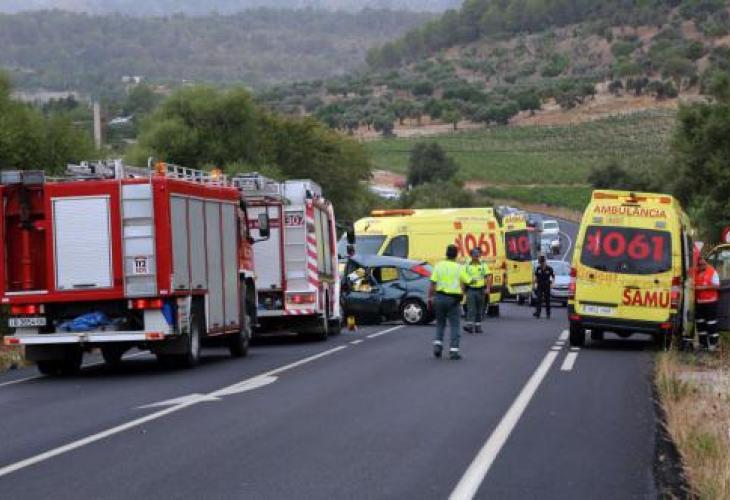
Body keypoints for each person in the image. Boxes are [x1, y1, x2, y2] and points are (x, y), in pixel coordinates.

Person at [430, 244, 467, 360]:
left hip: (439, 297)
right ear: (456, 255)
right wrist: (463, 292)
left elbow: (433, 283)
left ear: (446, 253)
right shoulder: (459, 267)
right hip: (453, 300)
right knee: (455, 325)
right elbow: (467, 281)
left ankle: (437, 347)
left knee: (440, 324)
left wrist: (430, 297)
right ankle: (453, 351)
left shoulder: (438, 266)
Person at [461, 248, 492, 334]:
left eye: (477, 255)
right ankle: (469, 326)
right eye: (474, 255)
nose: (476, 257)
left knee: (480, 308)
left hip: (481, 290)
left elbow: (488, 277)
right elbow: (462, 278)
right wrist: (462, 290)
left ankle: (478, 326)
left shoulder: (483, 265)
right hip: (471, 289)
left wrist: (488, 288)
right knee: (471, 308)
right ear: (471, 255)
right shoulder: (466, 265)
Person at [695, 256, 720, 350]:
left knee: (711, 323)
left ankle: (713, 344)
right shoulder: (696, 272)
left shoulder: (712, 271)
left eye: (703, 264)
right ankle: (703, 344)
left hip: (711, 302)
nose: (702, 265)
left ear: (707, 263)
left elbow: (717, 286)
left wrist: (702, 288)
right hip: (699, 302)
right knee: (700, 323)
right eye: (700, 264)